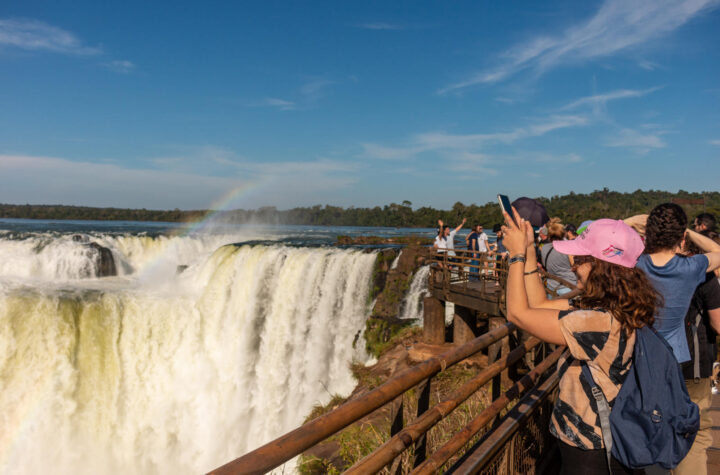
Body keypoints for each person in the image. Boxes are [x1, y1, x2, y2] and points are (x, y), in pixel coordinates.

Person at [501, 210, 658, 474]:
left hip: (591, 450)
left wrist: (516, 256)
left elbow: (518, 314)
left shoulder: (597, 323)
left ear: (601, 267)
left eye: (581, 259)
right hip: (602, 440)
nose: (573, 265)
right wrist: (528, 250)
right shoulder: (617, 307)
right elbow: (538, 304)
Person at [634, 203, 720, 364]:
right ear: (682, 238)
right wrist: (688, 231)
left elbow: (597, 244)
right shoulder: (690, 267)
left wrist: (628, 222)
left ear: (649, 233)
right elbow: (717, 251)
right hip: (673, 356)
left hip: (638, 352)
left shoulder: (634, 264)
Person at [673, 233, 720, 475]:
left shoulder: (647, 269)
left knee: (658, 427)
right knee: (695, 431)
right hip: (694, 364)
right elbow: (718, 324)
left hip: (654, 363)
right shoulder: (703, 274)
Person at [540, 218, 578, 297]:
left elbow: (544, 265)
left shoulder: (544, 248)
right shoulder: (568, 247)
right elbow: (574, 265)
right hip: (569, 287)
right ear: (563, 234)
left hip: (551, 288)